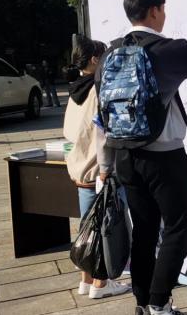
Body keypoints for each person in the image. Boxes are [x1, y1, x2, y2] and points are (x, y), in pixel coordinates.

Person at [104, 0, 187, 315]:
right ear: (155, 11)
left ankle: (142, 304)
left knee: (144, 231)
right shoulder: (168, 50)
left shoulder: (110, 53)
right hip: (164, 157)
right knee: (177, 229)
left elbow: (103, 109)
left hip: (125, 156)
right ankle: (160, 304)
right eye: (163, 9)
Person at [63, 35, 132, 299]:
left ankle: (86, 280)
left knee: (87, 227)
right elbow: (103, 131)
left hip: (80, 169)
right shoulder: (99, 87)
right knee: (106, 228)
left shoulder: (75, 90)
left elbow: (71, 132)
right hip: (99, 170)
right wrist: (106, 168)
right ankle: (101, 284)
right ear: (95, 60)